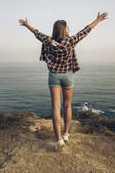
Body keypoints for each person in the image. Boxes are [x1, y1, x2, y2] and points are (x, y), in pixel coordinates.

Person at [18, 12, 108, 150]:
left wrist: (26, 24)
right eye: (67, 28)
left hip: (54, 75)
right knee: (67, 106)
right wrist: (98, 19)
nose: (69, 29)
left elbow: (36, 33)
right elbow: (86, 30)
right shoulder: (70, 41)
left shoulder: (47, 41)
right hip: (68, 76)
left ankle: (58, 139)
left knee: (55, 107)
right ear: (63, 30)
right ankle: (66, 133)